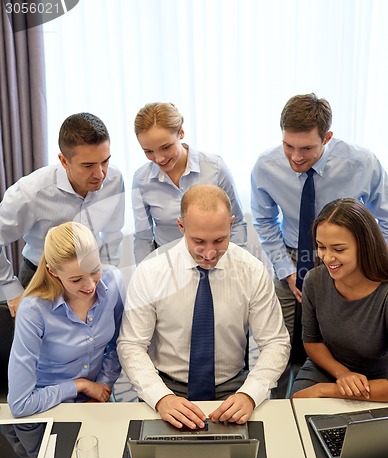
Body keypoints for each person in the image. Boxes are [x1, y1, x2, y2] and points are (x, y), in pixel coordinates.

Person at [117, 184, 290, 429]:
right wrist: (161, 397)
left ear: (231, 225)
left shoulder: (252, 271)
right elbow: (131, 344)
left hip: (233, 388)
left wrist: (250, 393)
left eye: (219, 240)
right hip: (166, 386)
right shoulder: (151, 271)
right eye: (198, 241)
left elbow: (275, 342)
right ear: (181, 226)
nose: (209, 253)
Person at [250, 93, 388, 341]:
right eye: (288, 146)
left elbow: (386, 219)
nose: (296, 157)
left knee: (341, 340)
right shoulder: (265, 166)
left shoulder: (362, 163)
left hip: (349, 258)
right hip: (292, 256)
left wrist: (370, 263)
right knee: (279, 341)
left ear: (327, 138)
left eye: (306, 148)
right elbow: (264, 220)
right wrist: (286, 270)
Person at [0, 112, 125, 317]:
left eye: (104, 161)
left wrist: (106, 279)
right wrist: (11, 290)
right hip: (43, 280)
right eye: (88, 165)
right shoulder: (30, 193)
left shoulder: (114, 179)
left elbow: (113, 233)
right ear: (64, 161)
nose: (100, 174)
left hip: (91, 278)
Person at [8, 222, 125, 418]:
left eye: (94, 270)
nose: (90, 286)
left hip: (97, 396)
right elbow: (20, 404)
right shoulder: (33, 310)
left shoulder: (113, 281)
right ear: (53, 271)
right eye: (76, 279)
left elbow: (118, 344)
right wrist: (79, 386)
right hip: (47, 404)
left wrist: (102, 385)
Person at [291, 198, 388, 402]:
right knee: (297, 406)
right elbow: (312, 342)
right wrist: (342, 374)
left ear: (365, 246)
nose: (327, 258)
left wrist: (327, 390)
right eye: (321, 247)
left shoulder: (384, 293)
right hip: (327, 367)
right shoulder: (314, 280)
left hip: (380, 379)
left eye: (338, 249)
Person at [132, 102, 247, 264]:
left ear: (181, 133)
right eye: (148, 151)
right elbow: (143, 238)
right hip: (169, 267)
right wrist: (143, 276)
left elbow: (237, 224)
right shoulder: (141, 180)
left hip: (216, 261)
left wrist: (235, 266)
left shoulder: (215, 168)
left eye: (165, 147)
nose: (159, 158)